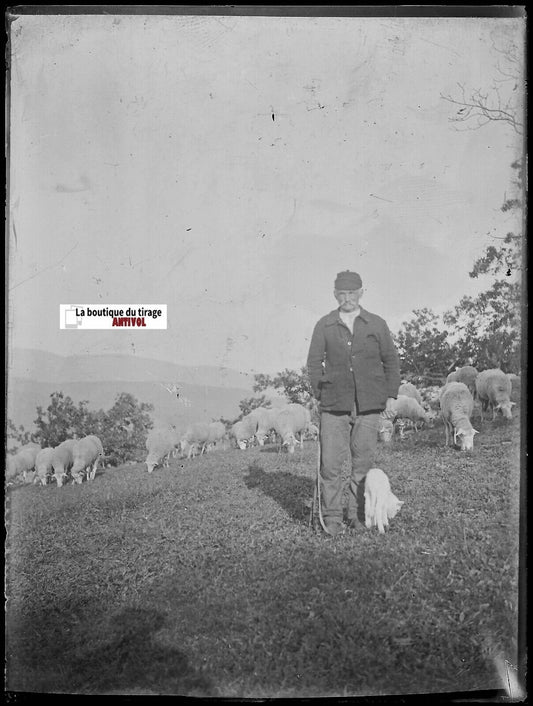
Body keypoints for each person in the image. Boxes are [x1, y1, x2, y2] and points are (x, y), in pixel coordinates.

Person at [306, 270, 401, 536]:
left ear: (361, 293)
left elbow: (391, 360)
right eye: (342, 293)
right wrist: (319, 393)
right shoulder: (324, 325)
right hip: (334, 406)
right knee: (330, 465)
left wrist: (391, 394)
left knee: (362, 464)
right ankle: (332, 519)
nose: (347, 298)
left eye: (352, 293)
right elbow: (313, 363)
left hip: (368, 406)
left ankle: (359, 515)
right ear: (335, 295)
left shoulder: (376, 324)